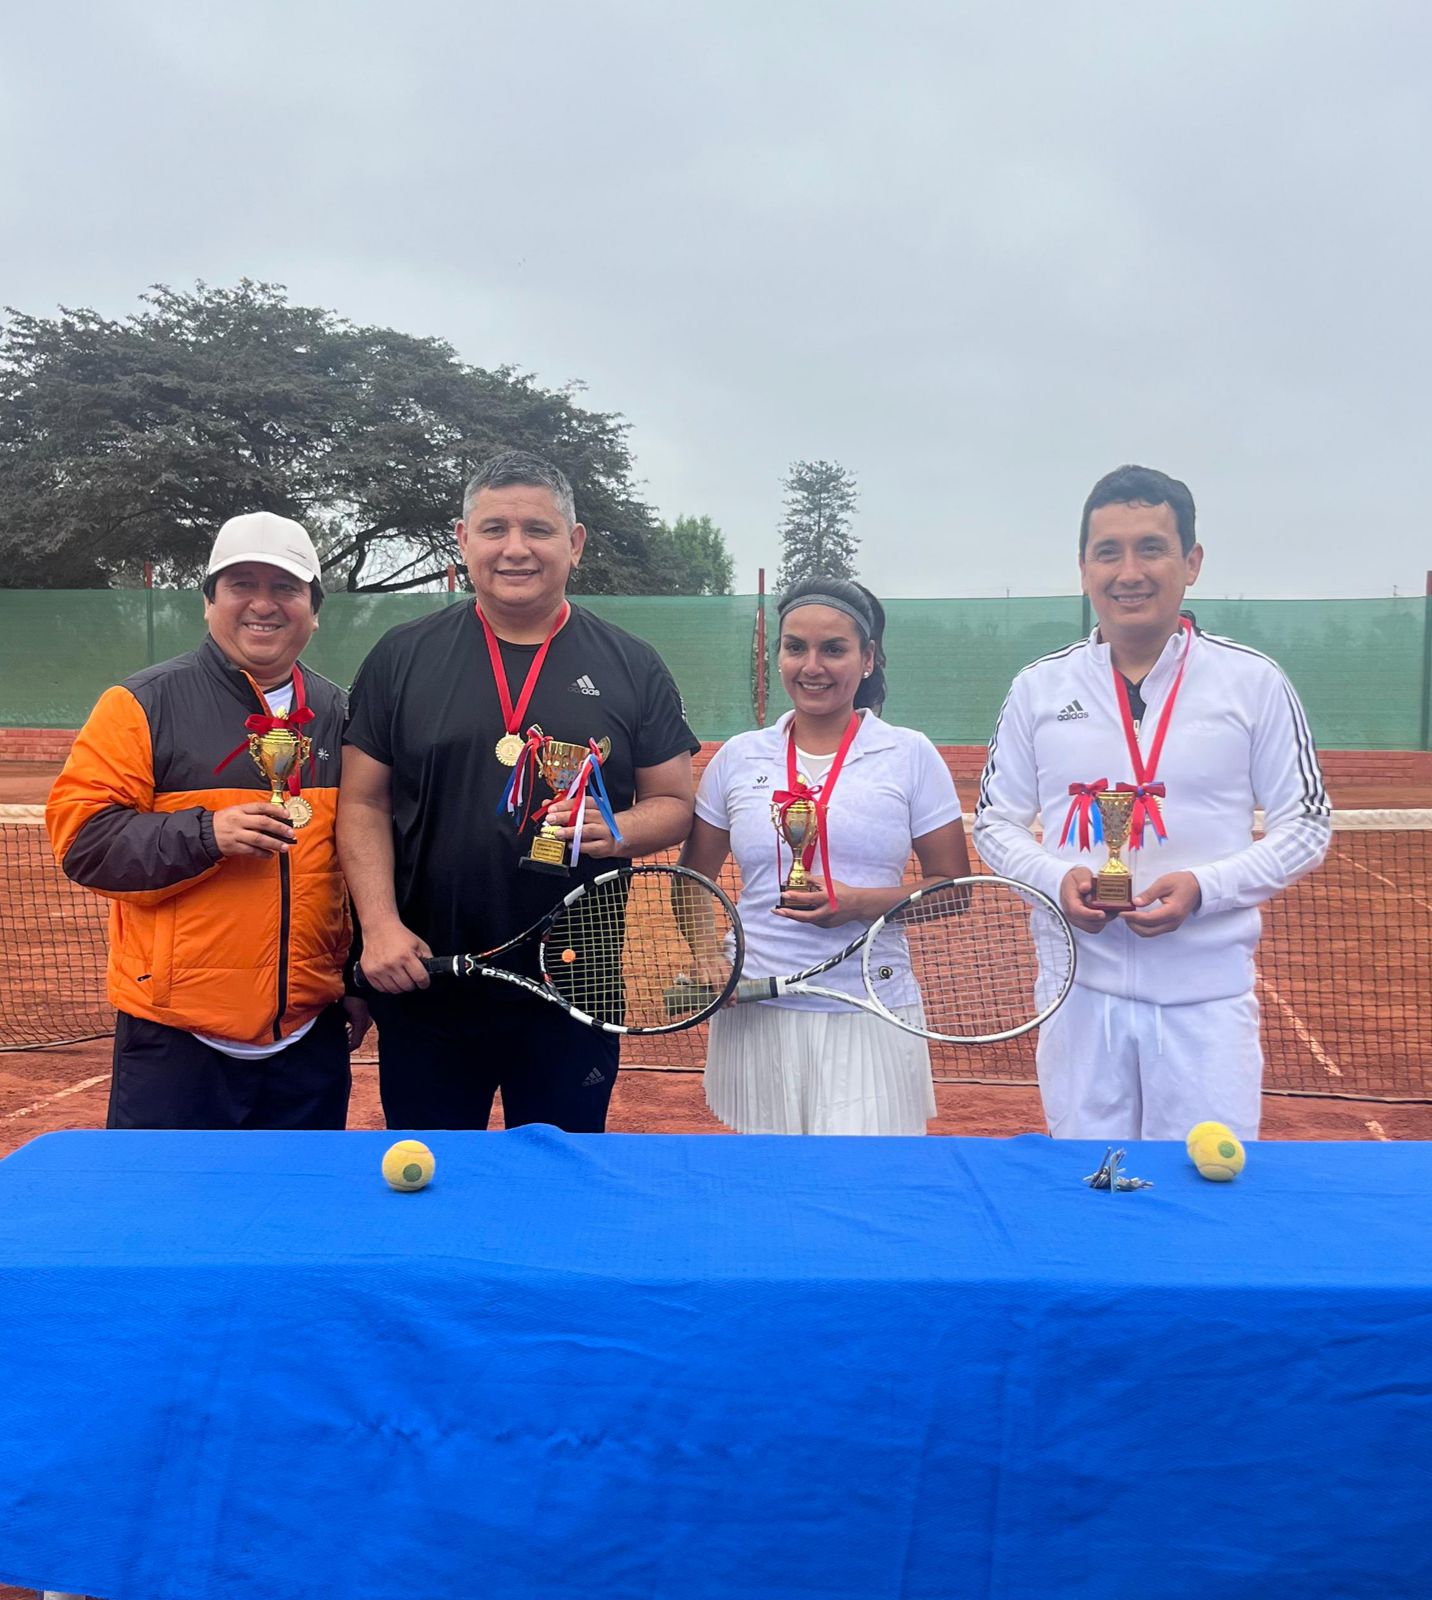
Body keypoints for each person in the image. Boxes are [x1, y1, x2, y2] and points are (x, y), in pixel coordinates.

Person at [340, 449, 698, 1132]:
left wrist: (617, 828)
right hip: (429, 976)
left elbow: (675, 805)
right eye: (494, 528)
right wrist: (379, 927)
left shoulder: (633, 664)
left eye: (537, 529)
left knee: (561, 1179)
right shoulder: (401, 655)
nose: (515, 549)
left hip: (576, 980)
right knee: (438, 1177)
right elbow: (363, 802)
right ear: (462, 539)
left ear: (575, 543)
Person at [973, 464, 1331, 1142]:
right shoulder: (1038, 689)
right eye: (1108, 551)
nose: (1129, 572)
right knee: (1091, 1188)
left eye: (1152, 548)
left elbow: (1307, 825)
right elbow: (995, 822)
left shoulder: (1253, 682)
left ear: (1191, 562)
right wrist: (1055, 877)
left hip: (1206, 1004)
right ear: (1084, 567)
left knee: (1200, 1194)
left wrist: (1204, 888)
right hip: (1078, 997)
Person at [45, 512, 367, 1130]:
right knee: (165, 1199)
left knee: (295, 1196)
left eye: (285, 588)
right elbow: (83, 842)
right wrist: (206, 834)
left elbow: (355, 864)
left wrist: (354, 979)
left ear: (314, 610)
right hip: (176, 1043)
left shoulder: (341, 714)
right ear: (209, 601)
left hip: (307, 1042)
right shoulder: (140, 704)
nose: (263, 604)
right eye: (242, 584)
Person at [680, 576, 969, 1134]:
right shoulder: (739, 757)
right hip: (757, 1008)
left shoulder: (909, 754)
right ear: (778, 656)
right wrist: (707, 957)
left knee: (862, 1179)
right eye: (796, 647)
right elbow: (692, 877)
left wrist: (858, 903)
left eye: (833, 649)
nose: (812, 666)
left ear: (868, 659)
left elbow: (952, 889)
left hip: (870, 1006)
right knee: (770, 1178)